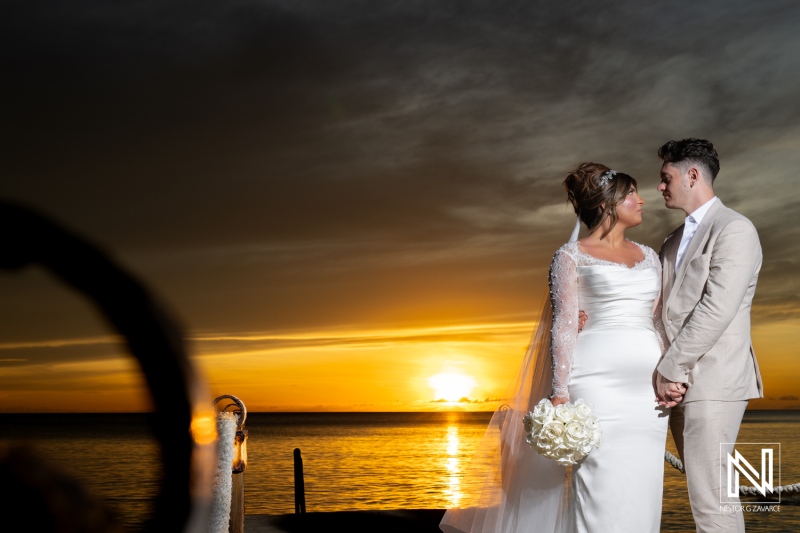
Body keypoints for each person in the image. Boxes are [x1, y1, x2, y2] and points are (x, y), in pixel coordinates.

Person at [440, 163, 670, 533]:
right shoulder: (570, 256)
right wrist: (560, 393)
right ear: (608, 205)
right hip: (597, 383)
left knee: (643, 485)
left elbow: (657, 320)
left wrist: (669, 372)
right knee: (600, 484)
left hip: (647, 390)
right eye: (631, 194)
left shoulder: (650, 257)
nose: (641, 200)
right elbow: (564, 325)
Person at [652, 138, 763, 532]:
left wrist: (671, 368)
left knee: (713, 501)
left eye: (666, 178)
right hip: (675, 384)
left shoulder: (735, 229)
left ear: (692, 174)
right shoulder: (670, 241)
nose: (660, 187)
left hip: (713, 380)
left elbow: (716, 309)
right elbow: (659, 309)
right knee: (705, 496)